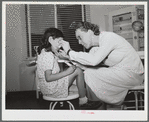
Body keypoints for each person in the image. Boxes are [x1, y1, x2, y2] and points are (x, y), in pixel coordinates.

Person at [59, 21, 144, 105]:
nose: (79, 42)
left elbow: (93, 60)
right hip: (121, 74)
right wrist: (68, 57)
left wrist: (69, 51)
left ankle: (91, 104)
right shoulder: (95, 48)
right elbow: (86, 64)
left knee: (89, 74)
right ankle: (93, 104)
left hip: (133, 75)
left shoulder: (108, 37)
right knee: (87, 73)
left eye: (80, 37)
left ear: (89, 32)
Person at [36, 28, 102, 109]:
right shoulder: (48, 55)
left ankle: (85, 99)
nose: (61, 45)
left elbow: (55, 71)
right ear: (50, 40)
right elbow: (48, 77)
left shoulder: (44, 52)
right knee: (78, 71)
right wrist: (68, 72)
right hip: (52, 89)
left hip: (48, 89)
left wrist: (61, 56)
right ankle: (83, 102)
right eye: (59, 41)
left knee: (79, 87)